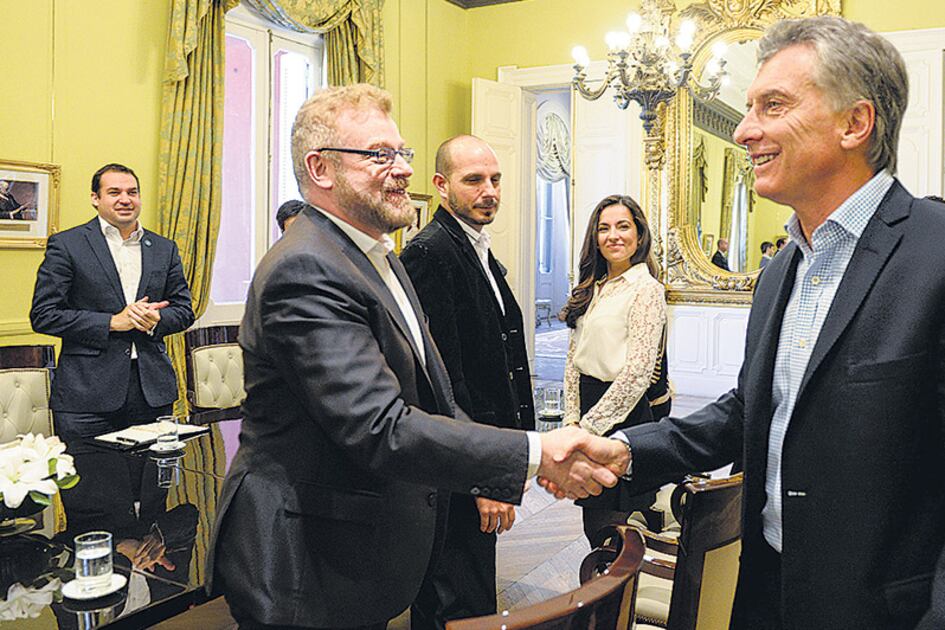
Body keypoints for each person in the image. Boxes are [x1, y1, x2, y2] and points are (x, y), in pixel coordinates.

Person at [543, 16, 945, 629]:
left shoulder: (935, 253)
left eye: (773, 105)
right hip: (768, 589)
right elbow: (749, 411)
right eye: (749, 105)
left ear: (855, 123)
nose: (744, 128)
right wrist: (624, 448)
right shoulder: (784, 267)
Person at [206, 84, 629, 630]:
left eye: (401, 153)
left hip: (359, 544)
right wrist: (536, 453)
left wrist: (515, 462)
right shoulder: (305, 269)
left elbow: (434, 395)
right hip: (303, 557)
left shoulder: (378, 256)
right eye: (380, 155)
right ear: (321, 168)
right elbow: (380, 426)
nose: (401, 169)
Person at [400, 135, 535, 628]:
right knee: (454, 600)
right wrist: (480, 475)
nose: (489, 191)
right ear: (441, 185)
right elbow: (442, 383)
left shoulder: (478, 249)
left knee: (474, 585)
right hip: (458, 460)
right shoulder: (431, 254)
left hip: (484, 448)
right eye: (473, 180)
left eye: (495, 179)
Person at [30, 163, 195, 522]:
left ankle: (148, 569)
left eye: (132, 192)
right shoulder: (69, 245)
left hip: (150, 392)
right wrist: (112, 322)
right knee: (92, 506)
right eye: (114, 192)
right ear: (95, 198)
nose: (125, 200)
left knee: (150, 502)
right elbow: (43, 314)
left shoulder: (163, 249)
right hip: (87, 397)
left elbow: (184, 310)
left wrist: (157, 320)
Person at [559, 194, 670, 545]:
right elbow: (573, 362)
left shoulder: (646, 290)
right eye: (604, 228)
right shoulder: (592, 287)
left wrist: (587, 430)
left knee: (611, 531)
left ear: (639, 235)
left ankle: (615, 599)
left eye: (623, 226)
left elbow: (637, 374)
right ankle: (605, 597)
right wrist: (571, 422)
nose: (614, 236)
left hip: (623, 418)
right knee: (592, 519)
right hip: (589, 411)